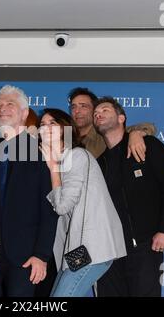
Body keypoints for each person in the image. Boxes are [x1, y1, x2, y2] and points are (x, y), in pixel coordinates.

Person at [93, 97, 164, 297]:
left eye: (105, 110)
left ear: (121, 118)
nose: (98, 114)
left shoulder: (147, 145)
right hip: (110, 251)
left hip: (144, 246)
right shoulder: (100, 163)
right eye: (96, 113)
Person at [38, 109, 126, 297]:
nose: (46, 128)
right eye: (42, 125)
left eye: (52, 123)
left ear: (65, 128)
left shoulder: (77, 156)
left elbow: (62, 206)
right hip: (73, 251)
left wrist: (53, 169)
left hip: (91, 248)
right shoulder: (56, 162)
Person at [0, 85, 58, 297]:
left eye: (9, 104)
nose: (2, 108)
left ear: (24, 113)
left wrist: (41, 255)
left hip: (26, 255)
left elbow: (50, 208)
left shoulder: (41, 152)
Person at [68, 87, 156, 160]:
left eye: (83, 106)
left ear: (94, 110)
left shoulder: (105, 133)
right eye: (73, 107)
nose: (77, 111)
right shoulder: (66, 134)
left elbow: (148, 127)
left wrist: (136, 133)